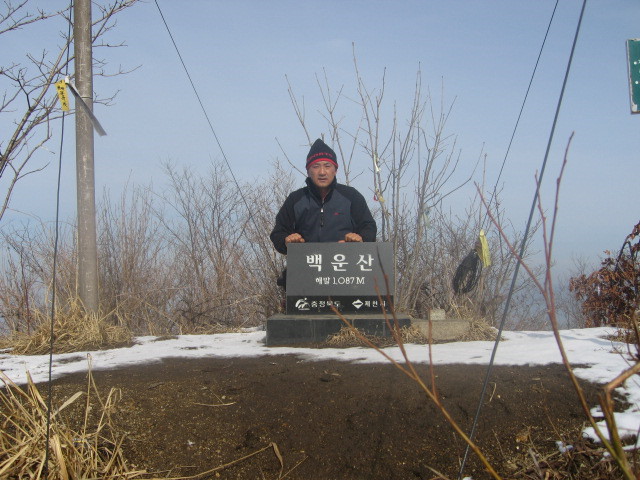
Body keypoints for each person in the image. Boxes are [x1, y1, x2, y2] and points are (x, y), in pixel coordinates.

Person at [270, 138, 377, 256]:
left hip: (344, 264)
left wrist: (361, 240)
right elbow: (278, 233)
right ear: (308, 171)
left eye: (327, 166)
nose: (322, 172)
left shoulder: (351, 196)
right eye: (316, 166)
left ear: (335, 170)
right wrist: (287, 241)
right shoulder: (296, 199)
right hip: (307, 264)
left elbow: (369, 227)